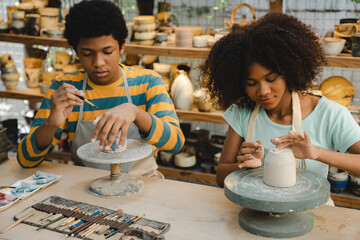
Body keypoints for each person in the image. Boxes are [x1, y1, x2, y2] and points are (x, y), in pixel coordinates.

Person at [17, 0, 185, 177]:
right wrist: (51, 122)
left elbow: (175, 144)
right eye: (87, 54)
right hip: (85, 187)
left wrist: (136, 113)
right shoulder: (65, 88)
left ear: (122, 46)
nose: (98, 63)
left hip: (143, 184)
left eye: (107, 52)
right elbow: (26, 160)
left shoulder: (148, 82)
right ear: (76, 51)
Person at [201, 13, 360, 188]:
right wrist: (244, 166)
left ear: (289, 71)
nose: (263, 91)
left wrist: (316, 153)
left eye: (271, 79)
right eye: (251, 83)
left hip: (311, 213)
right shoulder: (242, 111)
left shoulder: (329, 114)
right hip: (256, 211)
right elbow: (220, 176)